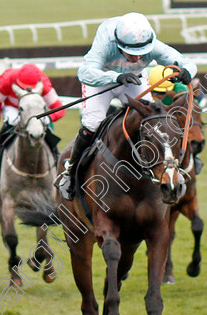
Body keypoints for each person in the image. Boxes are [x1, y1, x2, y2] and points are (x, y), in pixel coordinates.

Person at [57, 12, 197, 201]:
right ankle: (70, 172)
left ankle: (164, 170)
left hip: (133, 79)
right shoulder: (106, 41)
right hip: (101, 80)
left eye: (141, 52)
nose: (137, 57)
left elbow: (185, 61)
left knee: (151, 120)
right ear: (119, 45)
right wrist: (115, 77)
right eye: (131, 53)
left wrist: (187, 71)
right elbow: (85, 72)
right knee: (92, 123)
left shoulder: (153, 45)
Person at [0, 63, 64, 171]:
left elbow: (59, 108)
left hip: (34, 108)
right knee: (12, 121)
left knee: (42, 126)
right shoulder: (6, 79)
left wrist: (47, 119)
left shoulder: (44, 82)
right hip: (13, 107)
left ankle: (57, 156)